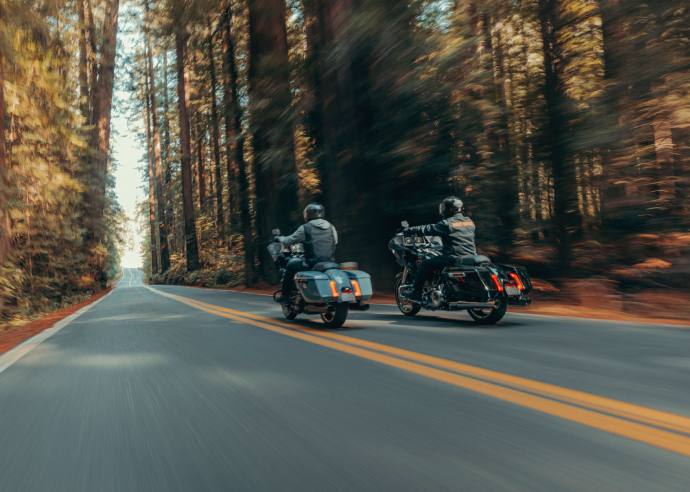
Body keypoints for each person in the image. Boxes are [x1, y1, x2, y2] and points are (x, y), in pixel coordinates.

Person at [405, 197, 476, 303]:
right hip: (470, 256)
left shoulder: (447, 223)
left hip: (453, 257)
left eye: (444, 208)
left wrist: (411, 229)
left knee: (425, 264)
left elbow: (428, 228)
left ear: (450, 209)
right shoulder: (469, 221)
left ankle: (416, 292)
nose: (443, 210)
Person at [274, 203, 339, 304]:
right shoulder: (331, 227)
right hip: (329, 262)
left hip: (311, 263)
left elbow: (289, 240)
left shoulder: (306, 227)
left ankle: (284, 296)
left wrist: (279, 238)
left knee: (290, 265)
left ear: (308, 215)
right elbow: (334, 242)